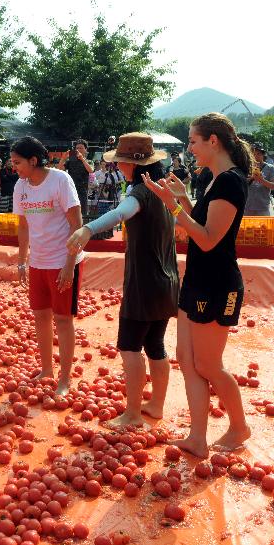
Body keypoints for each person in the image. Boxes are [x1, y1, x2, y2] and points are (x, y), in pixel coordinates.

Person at [142, 112, 252, 457]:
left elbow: (207, 239)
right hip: (198, 279)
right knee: (186, 360)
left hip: (218, 285)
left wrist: (174, 207)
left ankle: (239, 426)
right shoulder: (214, 179)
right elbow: (203, 222)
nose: (189, 148)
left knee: (207, 364)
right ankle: (197, 437)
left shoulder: (230, 181)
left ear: (213, 140)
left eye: (192, 140)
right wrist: (185, 200)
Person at [67, 133, 178, 427]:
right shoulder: (163, 191)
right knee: (156, 345)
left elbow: (120, 213)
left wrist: (88, 229)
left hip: (144, 284)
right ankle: (155, 405)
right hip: (167, 281)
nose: (119, 165)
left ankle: (131, 414)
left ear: (131, 165)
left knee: (130, 347)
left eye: (121, 161)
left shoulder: (139, 192)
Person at [11, 136, 83, 396]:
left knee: (63, 320)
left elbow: (77, 224)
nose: (14, 167)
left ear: (33, 160)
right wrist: (22, 261)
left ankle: (65, 379)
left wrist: (69, 264)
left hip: (61, 259)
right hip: (38, 262)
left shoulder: (61, 180)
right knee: (41, 316)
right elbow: (23, 226)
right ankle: (47, 370)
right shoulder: (21, 186)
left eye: (17, 162)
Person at [60, 139, 93, 215]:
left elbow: (91, 170)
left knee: (83, 212)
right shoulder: (70, 161)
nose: (78, 150)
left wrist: (82, 159)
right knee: (71, 211)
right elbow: (60, 169)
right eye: (77, 148)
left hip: (83, 190)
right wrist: (63, 159)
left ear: (85, 149)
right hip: (71, 189)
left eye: (81, 148)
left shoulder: (89, 161)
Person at [245, 143, 274, 216]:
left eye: (258, 154)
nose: (256, 156)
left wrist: (261, 180)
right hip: (247, 208)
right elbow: (240, 184)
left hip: (263, 209)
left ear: (263, 155)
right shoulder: (246, 167)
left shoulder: (270, 168)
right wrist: (252, 178)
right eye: (253, 154)